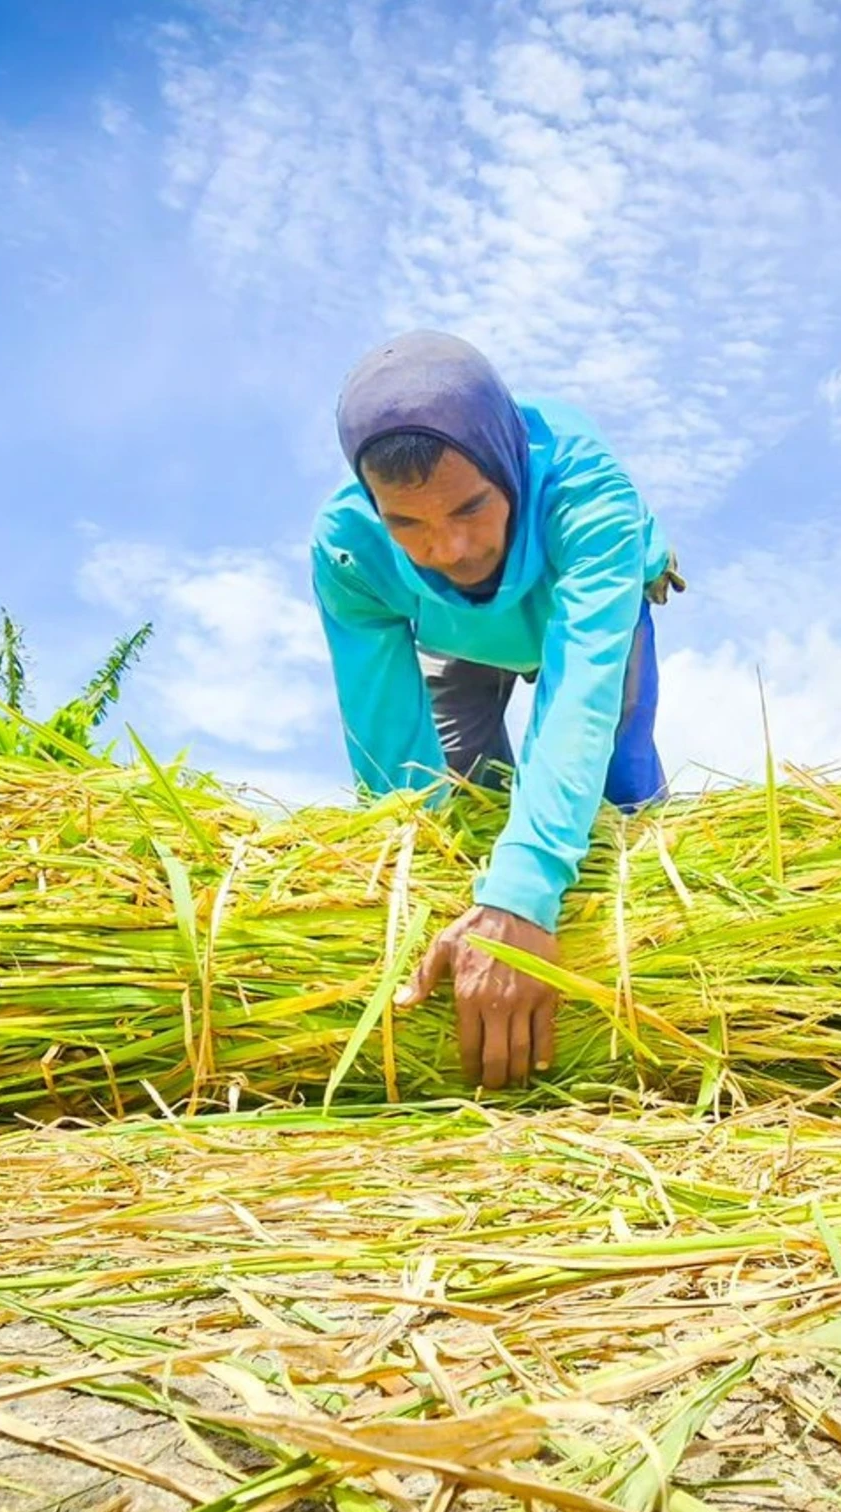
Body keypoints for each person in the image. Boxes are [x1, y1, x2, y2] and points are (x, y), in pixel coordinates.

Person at [311, 331, 682, 1092]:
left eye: (472, 507)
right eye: (407, 523)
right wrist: (408, 893)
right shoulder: (350, 549)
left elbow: (577, 694)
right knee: (463, 803)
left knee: (618, 789)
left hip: (577, 603)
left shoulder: (588, 497)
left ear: (505, 462)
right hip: (456, 639)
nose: (448, 547)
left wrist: (521, 900)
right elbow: (389, 744)